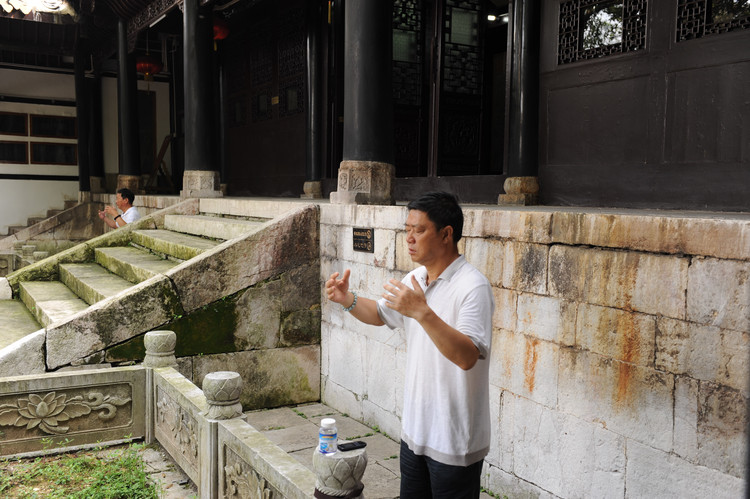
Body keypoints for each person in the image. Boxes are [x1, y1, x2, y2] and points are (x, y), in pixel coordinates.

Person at [325, 192, 495, 498]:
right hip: (415, 431)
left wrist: (422, 312)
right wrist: (347, 300)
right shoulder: (417, 278)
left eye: (419, 230)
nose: (410, 239)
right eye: (407, 230)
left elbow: (468, 356)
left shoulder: (473, 286)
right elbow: (379, 313)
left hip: (455, 440)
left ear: (446, 234)